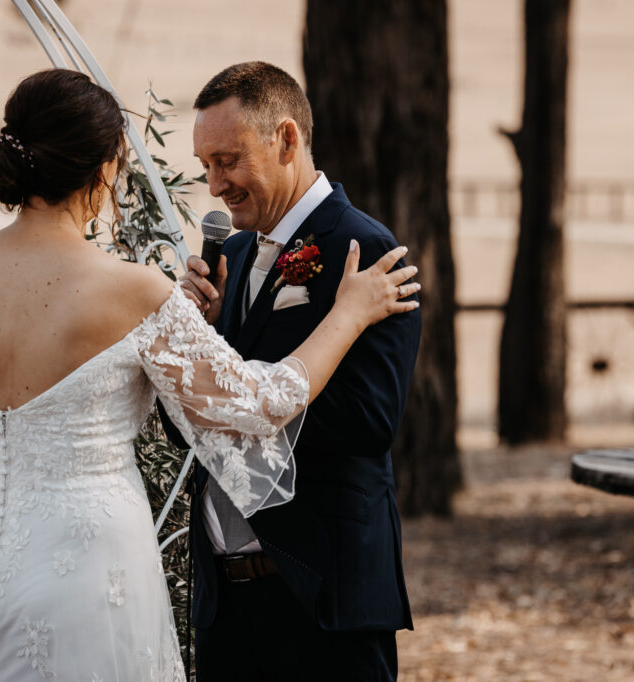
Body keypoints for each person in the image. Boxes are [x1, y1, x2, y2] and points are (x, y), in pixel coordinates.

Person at [0, 68, 419, 681]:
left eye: (226, 161)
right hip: (87, 585)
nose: (213, 184)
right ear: (106, 169)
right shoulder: (130, 291)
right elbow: (260, 404)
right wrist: (346, 316)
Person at [174, 62, 421, 681]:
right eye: (206, 166)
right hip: (225, 601)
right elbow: (194, 422)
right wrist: (191, 344)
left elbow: (370, 421)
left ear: (286, 139)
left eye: (228, 161)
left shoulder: (363, 252)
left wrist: (239, 393)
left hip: (320, 595)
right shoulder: (227, 255)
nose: (215, 186)